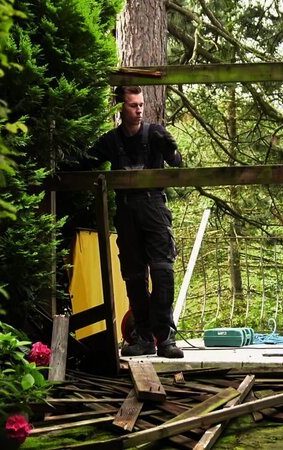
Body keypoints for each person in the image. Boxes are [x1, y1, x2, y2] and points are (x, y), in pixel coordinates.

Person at [79, 85, 184, 358]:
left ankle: (166, 339)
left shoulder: (155, 133)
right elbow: (85, 162)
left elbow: (178, 164)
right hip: (126, 213)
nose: (139, 110)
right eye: (132, 105)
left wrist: (171, 151)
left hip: (154, 210)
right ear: (120, 109)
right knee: (135, 277)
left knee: (163, 272)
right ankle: (144, 338)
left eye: (141, 105)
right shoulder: (111, 141)